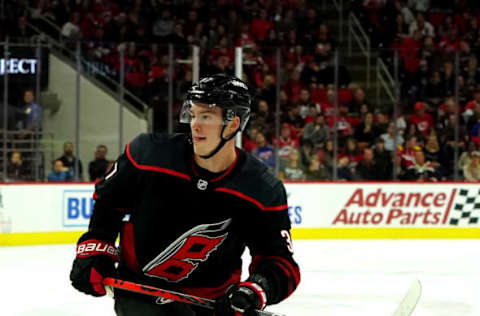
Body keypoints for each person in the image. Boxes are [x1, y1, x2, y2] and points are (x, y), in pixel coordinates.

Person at [69, 74, 300, 316]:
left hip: (213, 303)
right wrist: (96, 248)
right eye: (193, 114)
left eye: (207, 116)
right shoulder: (147, 155)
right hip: (141, 291)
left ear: (233, 124)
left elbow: (280, 261)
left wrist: (254, 290)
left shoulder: (261, 188)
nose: (195, 125)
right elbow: (109, 202)